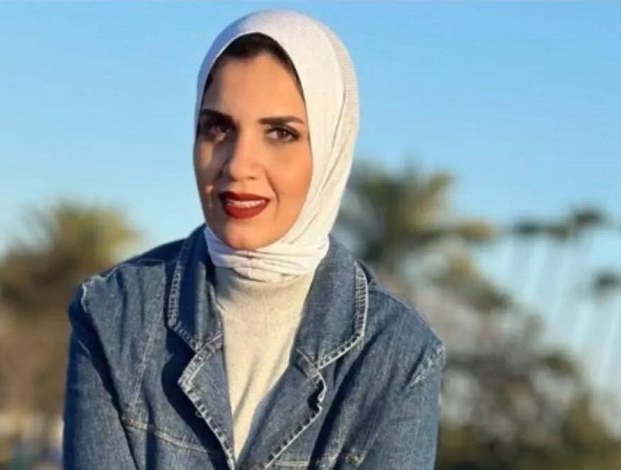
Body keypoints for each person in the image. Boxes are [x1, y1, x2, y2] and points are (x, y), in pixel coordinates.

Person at [62, 9, 445, 470]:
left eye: (281, 133)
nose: (239, 164)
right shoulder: (114, 316)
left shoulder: (399, 354)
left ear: (330, 148)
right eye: (218, 127)